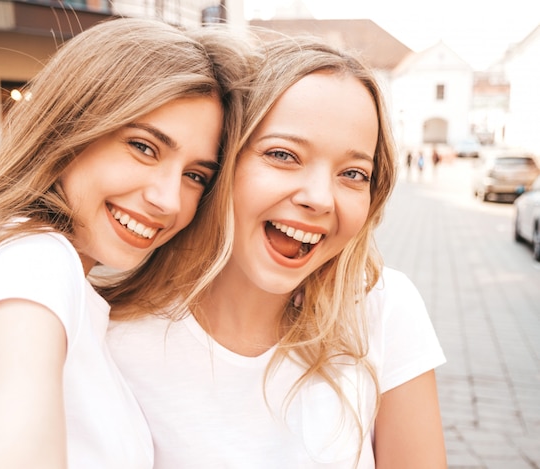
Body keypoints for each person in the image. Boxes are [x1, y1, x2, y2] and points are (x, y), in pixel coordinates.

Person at [0, 18, 250, 468]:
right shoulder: (35, 261)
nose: (168, 201)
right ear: (69, 129)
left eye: (195, 176)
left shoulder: (29, 261)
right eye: (144, 147)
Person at [107, 34, 447, 468]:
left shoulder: (382, 309)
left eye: (354, 173)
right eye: (284, 154)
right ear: (223, 161)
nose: (321, 198)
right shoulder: (112, 335)